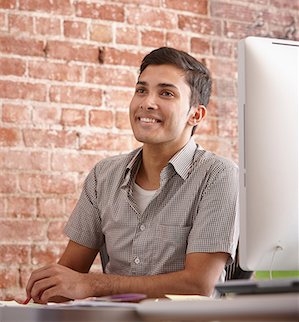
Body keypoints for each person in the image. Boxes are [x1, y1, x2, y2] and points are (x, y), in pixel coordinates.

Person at [26, 47, 239, 303]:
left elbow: (199, 284)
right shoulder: (103, 176)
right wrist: (47, 288)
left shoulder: (218, 176)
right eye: (141, 90)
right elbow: (70, 276)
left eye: (166, 93)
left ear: (196, 114)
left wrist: (92, 284)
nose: (147, 102)